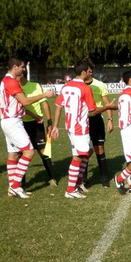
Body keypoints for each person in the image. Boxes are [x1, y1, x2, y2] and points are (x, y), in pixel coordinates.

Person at [51, 61, 115, 199]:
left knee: (88, 151)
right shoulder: (85, 88)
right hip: (80, 127)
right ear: (84, 72)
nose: (90, 73)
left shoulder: (66, 87)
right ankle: (70, 190)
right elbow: (92, 112)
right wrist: (108, 107)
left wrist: (56, 125)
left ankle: (79, 182)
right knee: (78, 156)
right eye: (88, 71)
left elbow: (58, 106)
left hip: (70, 126)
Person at [0, 58, 55, 199]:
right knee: (29, 152)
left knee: (12, 154)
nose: (23, 69)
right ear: (14, 67)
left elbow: (17, 104)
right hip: (13, 122)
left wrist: (34, 116)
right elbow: (24, 101)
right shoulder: (11, 82)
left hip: (8, 120)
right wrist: (44, 94)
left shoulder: (5, 81)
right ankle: (16, 185)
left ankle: (12, 187)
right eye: (22, 67)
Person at [19, 74, 57, 187]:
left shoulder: (35, 86)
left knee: (42, 151)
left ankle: (52, 178)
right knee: (22, 152)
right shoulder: (15, 87)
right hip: (20, 123)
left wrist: (49, 122)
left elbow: (44, 104)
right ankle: (22, 180)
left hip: (37, 122)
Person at [84, 62, 114, 187]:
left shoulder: (99, 84)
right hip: (83, 120)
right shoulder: (78, 86)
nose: (89, 73)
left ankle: (104, 177)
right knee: (84, 150)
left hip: (96, 119)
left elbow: (107, 103)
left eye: (91, 71)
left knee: (99, 149)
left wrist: (110, 119)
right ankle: (83, 178)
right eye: (87, 71)